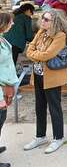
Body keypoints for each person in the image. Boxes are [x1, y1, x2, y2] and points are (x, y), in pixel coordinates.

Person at [24, 9, 67, 154]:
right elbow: (29, 49)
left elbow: (48, 54)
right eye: (42, 18)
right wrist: (37, 55)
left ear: (54, 22)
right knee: (39, 107)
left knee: (54, 107)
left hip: (53, 77)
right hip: (38, 75)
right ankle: (40, 136)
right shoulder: (41, 32)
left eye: (46, 19)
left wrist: (36, 55)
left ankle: (58, 137)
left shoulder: (60, 36)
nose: (42, 21)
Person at [0, 13, 19, 167]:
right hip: (1, 86)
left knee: (1, 118)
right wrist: (5, 85)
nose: (12, 24)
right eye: (10, 22)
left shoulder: (2, 39)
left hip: (4, 85)